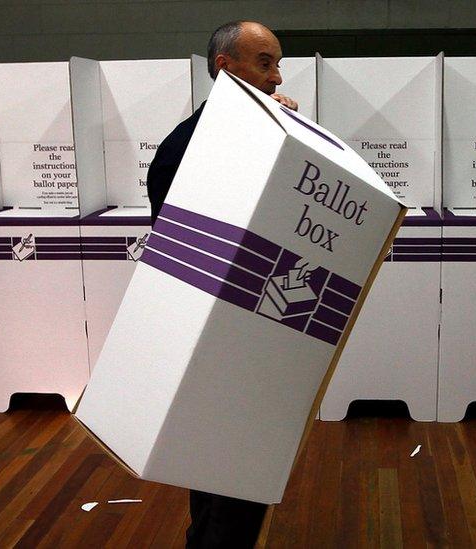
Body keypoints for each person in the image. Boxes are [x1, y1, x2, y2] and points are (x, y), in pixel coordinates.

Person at [145, 20, 298, 549]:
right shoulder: (185, 150)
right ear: (224, 68)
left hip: (255, 336)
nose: (277, 78)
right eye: (264, 63)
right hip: (218, 343)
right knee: (230, 479)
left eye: (278, 63)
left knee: (224, 481)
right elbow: (188, 258)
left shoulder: (264, 136)